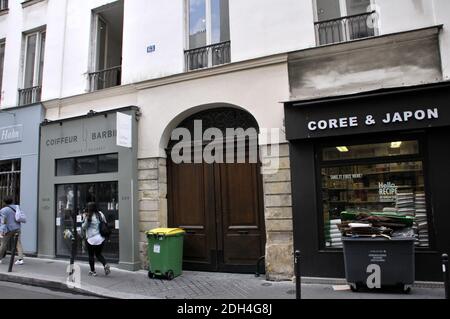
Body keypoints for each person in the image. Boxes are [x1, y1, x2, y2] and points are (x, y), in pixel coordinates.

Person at [82, 202, 111, 277]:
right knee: (98, 254)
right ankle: (105, 264)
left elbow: (84, 227)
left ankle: (93, 271)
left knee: (91, 255)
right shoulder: (100, 214)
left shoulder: (89, 216)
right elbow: (105, 222)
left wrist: (84, 218)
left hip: (91, 239)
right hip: (100, 238)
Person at [0, 197, 24, 265]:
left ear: (4, 202)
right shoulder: (17, 207)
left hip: (8, 229)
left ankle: (0, 258)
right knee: (18, 243)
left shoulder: (3, 210)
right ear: (12, 201)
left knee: (3, 243)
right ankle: (20, 259)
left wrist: (2, 231)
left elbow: (3, 222)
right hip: (17, 228)